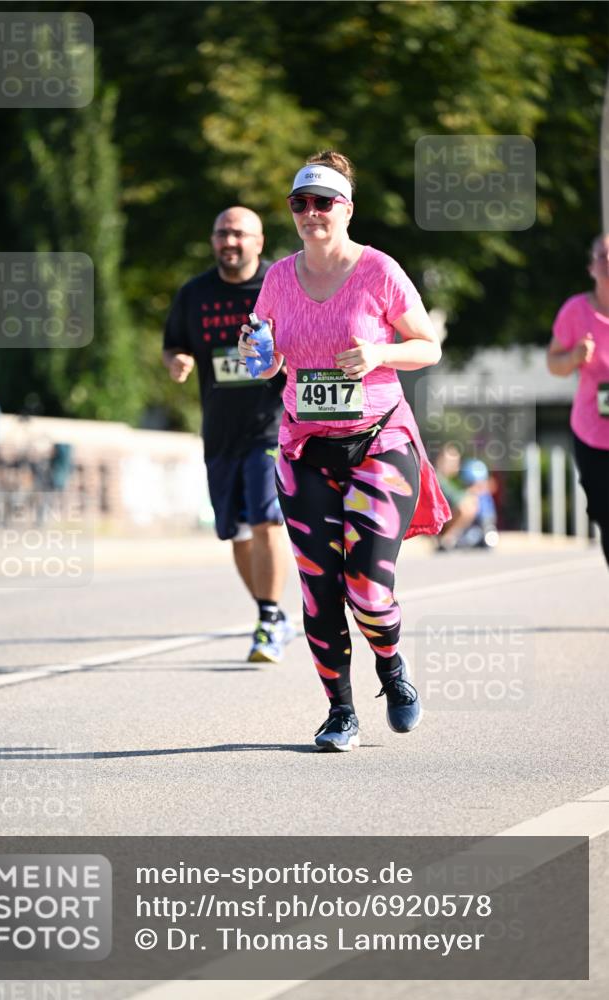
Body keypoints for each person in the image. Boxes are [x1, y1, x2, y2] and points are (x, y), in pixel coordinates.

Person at [238, 151, 451, 751]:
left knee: (367, 588)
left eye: (322, 203)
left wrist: (381, 353)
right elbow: (267, 361)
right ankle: (340, 712)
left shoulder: (378, 270)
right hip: (304, 448)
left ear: (347, 209)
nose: (311, 213)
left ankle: (392, 668)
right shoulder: (278, 279)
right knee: (319, 587)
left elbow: (428, 346)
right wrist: (256, 354)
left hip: (379, 440)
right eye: (300, 203)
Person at [163, 206, 295, 661]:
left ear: (259, 241)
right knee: (236, 532)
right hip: (220, 431)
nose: (230, 241)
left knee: (265, 519)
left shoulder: (281, 286)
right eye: (222, 233)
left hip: (271, 426)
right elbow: (173, 345)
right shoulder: (194, 293)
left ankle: (268, 620)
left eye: (239, 233)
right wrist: (177, 361)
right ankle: (270, 613)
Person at [547, 234, 609, 566]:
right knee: (605, 512)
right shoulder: (576, 311)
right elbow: (553, 363)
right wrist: (573, 357)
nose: (608, 261)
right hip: (592, 433)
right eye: (602, 255)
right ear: (591, 266)